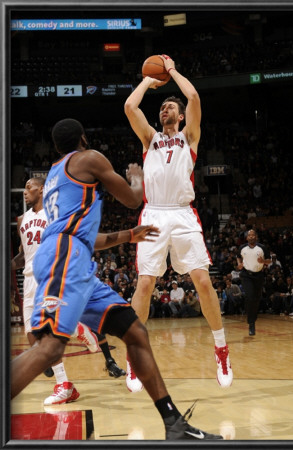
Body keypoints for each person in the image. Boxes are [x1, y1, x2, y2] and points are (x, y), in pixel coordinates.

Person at [11, 118, 223, 441]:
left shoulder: (54, 175)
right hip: (64, 258)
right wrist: (137, 179)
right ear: (83, 138)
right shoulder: (89, 158)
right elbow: (133, 199)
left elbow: (85, 234)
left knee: (135, 330)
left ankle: (174, 425)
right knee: (51, 347)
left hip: (76, 259)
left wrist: (127, 235)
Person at [124, 54, 233, 392]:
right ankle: (134, 356)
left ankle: (221, 349)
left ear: (181, 116)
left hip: (183, 213)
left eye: (170, 108)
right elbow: (130, 106)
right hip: (154, 213)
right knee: (144, 285)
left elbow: (195, 97)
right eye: (162, 108)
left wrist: (170, 71)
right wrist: (147, 80)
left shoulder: (190, 137)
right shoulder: (150, 139)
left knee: (201, 280)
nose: (164, 111)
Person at [11, 177, 100, 405]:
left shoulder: (56, 215)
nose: (25, 191)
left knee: (46, 332)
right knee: (33, 338)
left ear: (42, 190)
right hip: (29, 279)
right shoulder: (22, 220)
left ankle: (63, 384)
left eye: (29, 187)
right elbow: (23, 256)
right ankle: (78, 329)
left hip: (49, 275)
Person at [237, 229, 271, 335]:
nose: (251, 237)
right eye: (249, 235)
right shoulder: (242, 248)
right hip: (246, 275)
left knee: (256, 299)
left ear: (256, 237)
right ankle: (251, 323)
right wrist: (239, 264)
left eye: (253, 235)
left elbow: (269, 260)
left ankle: (253, 318)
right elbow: (238, 257)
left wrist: (263, 261)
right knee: (250, 296)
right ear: (247, 238)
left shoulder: (262, 248)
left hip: (259, 275)